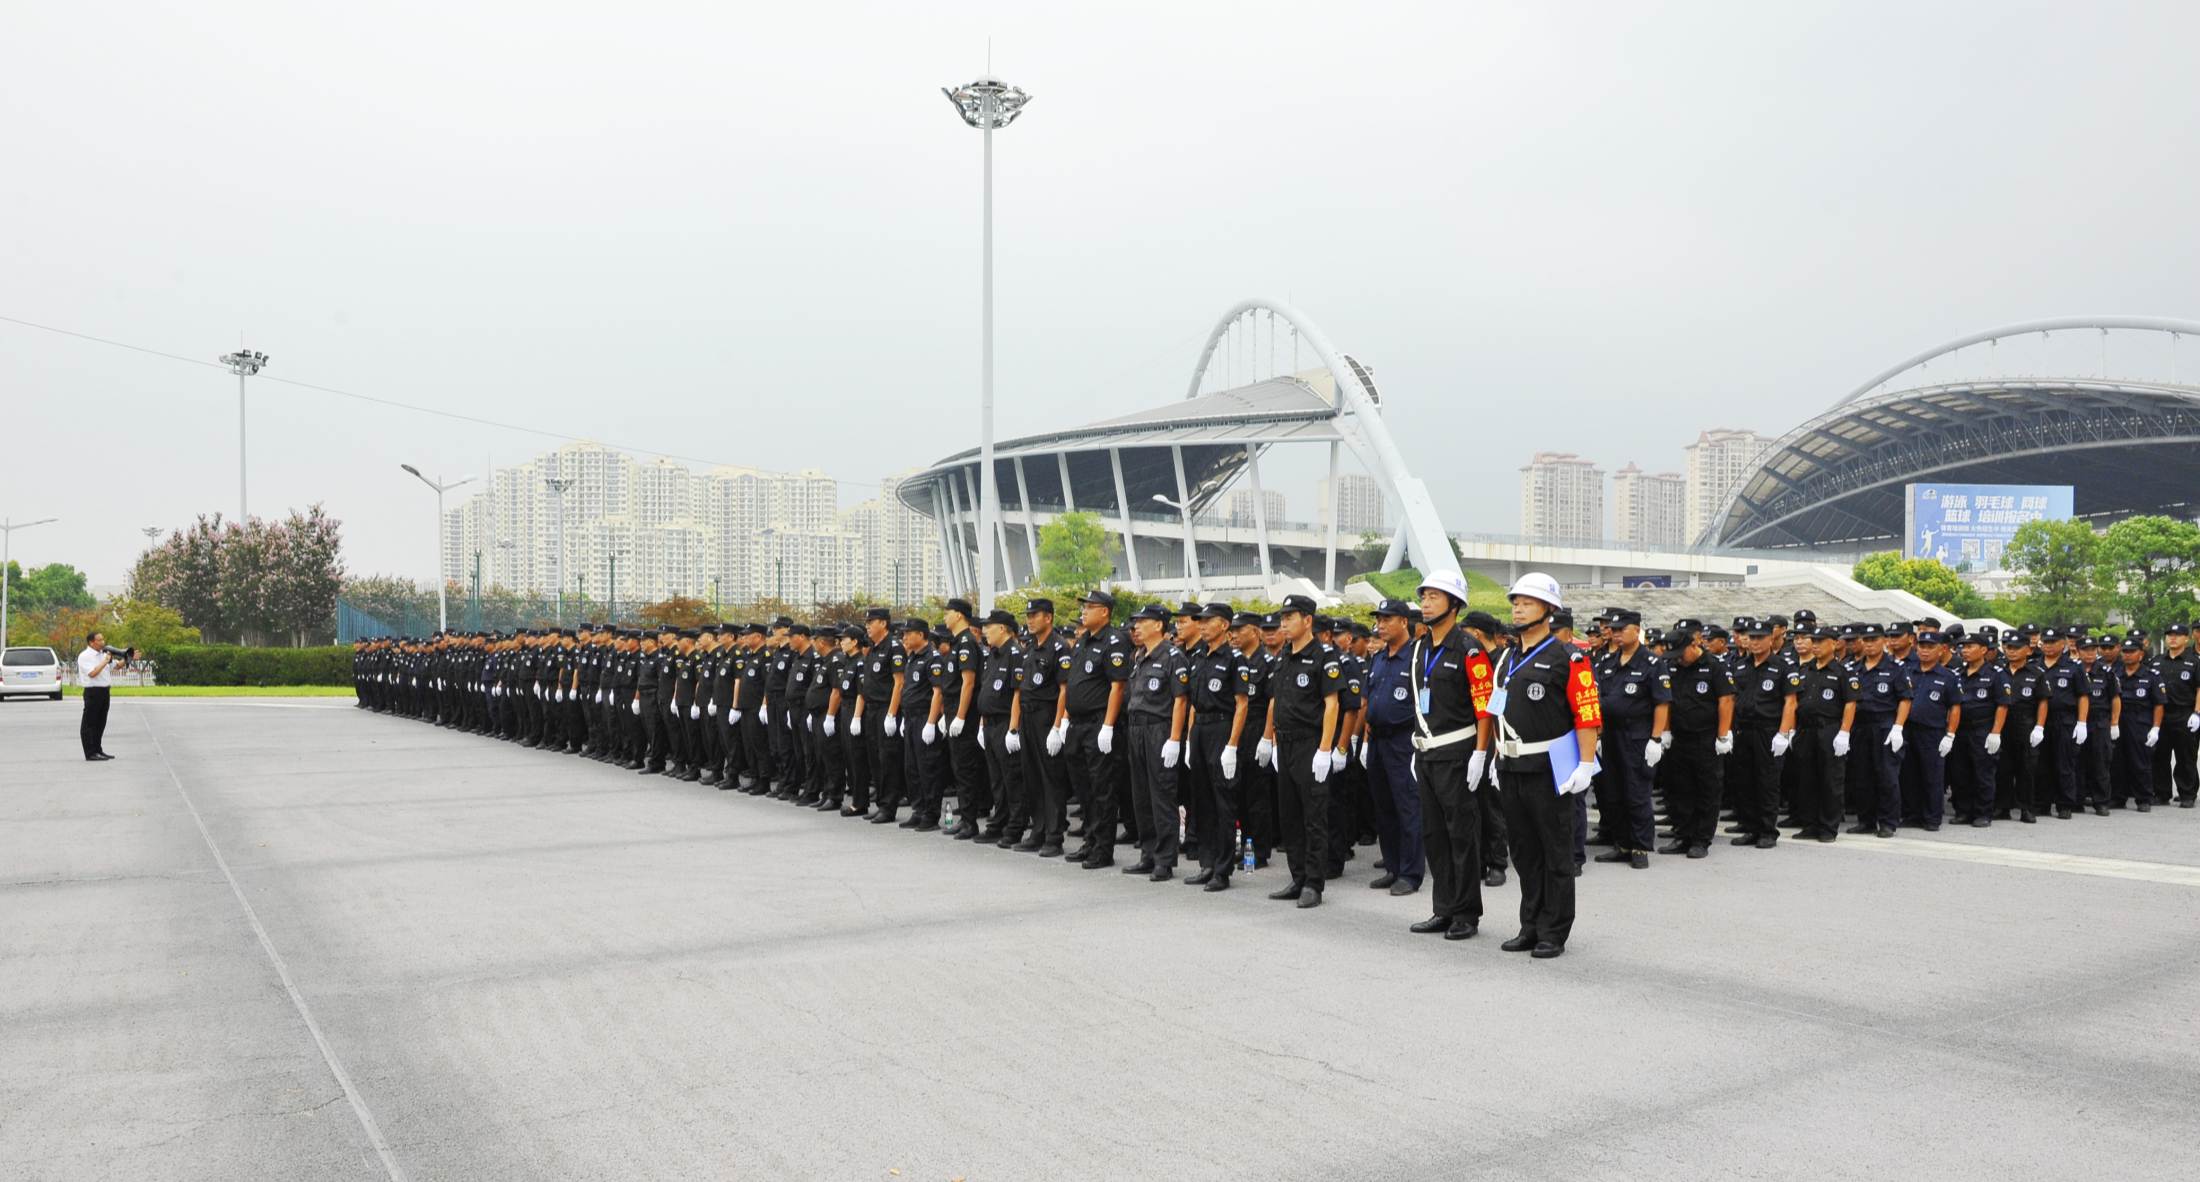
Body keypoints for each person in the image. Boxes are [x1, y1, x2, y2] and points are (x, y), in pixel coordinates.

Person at [1490, 573, 1601, 959]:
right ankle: (1530, 924)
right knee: (1524, 853)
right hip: (1511, 766)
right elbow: (1496, 709)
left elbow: (1587, 715)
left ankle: (1554, 930)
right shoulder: (1507, 657)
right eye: (1516, 602)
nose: (1518, 609)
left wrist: (1585, 764)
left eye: (1528, 603)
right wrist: (1493, 756)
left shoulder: (1569, 658)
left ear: (1549, 610)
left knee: (1555, 852)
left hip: (1550, 768)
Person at [1403, 575, 1494, 939]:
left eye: (1434, 597)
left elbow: (1485, 708)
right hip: (1427, 753)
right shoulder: (1420, 649)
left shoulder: (1470, 650)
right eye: (1424, 596)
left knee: (1462, 836)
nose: (1425, 603)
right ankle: (1443, 908)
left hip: (1458, 753)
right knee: (1435, 835)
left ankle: (1466, 913)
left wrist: (1480, 754)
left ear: (1454, 605)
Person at [1262, 594, 1341, 909]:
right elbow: (1276, 702)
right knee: (1290, 815)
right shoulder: (1283, 656)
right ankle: (1297, 877)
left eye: (1289, 617)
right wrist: (1270, 741)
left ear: (1307, 620)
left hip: (1310, 743)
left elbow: (1332, 705)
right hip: (1285, 743)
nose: (1283, 623)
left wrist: (1325, 749)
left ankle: (1313, 883)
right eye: (1282, 618)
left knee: (1313, 816)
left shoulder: (1323, 656)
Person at [1053, 590, 1130, 870]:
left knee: (1102, 788)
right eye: (1083, 607)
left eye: (1089, 607)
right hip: (1077, 723)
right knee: (1083, 787)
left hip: (1098, 723)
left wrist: (1108, 725)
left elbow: (1117, 687)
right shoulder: (1083, 640)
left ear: (1105, 611)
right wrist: (1064, 719)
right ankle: (1090, 840)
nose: (1083, 612)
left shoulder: (1114, 641)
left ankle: (1103, 849)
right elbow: (1074, 684)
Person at [1590, 609, 1667, 869]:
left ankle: (1640, 847)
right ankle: (1622, 844)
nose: (1617, 634)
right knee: (1612, 793)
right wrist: (1598, 734)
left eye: (1622, 629)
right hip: (1610, 736)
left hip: (1637, 736)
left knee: (1636, 793)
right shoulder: (1607, 662)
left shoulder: (1652, 663)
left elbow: (1662, 703)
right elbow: (1599, 700)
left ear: (1637, 629)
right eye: (1614, 630)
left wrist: (1656, 739)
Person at [1361, 598, 1427, 897]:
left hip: (1403, 740)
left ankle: (1410, 873)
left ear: (1403, 622)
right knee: (1383, 806)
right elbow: (1368, 699)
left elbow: (1425, 701)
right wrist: (1364, 740)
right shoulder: (1379, 658)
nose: (1381, 625)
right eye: (1379, 619)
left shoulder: (1416, 657)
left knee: (1407, 806)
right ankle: (1393, 866)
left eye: (1387, 619)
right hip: (1377, 739)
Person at [1120, 603, 1189, 881]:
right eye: (1135, 622)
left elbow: (1180, 700)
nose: (1136, 627)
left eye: (1142, 621)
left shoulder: (1173, 657)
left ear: (1159, 625)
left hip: (1159, 729)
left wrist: (1174, 739)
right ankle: (1148, 853)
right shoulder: (1140, 656)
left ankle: (1164, 859)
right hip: (1136, 729)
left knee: (1161, 796)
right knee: (1141, 795)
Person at [1660, 620, 1734, 857]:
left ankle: (1701, 840)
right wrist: (1665, 731)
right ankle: (1683, 835)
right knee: (1681, 789)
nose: (1678, 659)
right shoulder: (1672, 666)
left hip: (1706, 738)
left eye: (1680, 654)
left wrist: (1723, 735)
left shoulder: (1714, 666)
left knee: (1707, 790)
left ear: (1694, 645)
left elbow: (1726, 701)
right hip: (1679, 737)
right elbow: (1666, 701)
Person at [1790, 626, 1857, 843]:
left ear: (1834, 643)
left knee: (1830, 780)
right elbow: (1794, 702)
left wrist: (1844, 732)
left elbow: (1850, 703)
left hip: (1829, 729)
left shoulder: (1842, 672)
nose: (1816, 645)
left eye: (1821, 641)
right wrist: (1791, 730)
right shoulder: (1804, 670)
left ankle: (1828, 827)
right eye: (1814, 641)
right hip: (1805, 730)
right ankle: (1810, 824)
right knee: (1806, 779)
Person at [2151, 623, 2199, 807]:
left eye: (2177, 635)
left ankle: (2187, 794)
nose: (2173, 638)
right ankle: (2161, 793)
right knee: (2160, 756)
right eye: (2169, 635)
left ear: (2186, 639)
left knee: (2185, 757)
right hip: (2161, 714)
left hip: (2184, 714)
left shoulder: (2194, 662)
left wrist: (2197, 713)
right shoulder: (2156, 661)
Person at [77, 632, 122, 760]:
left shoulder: (103, 654)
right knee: (89, 723)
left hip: (104, 691)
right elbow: (92, 673)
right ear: (91, 642)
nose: (103, 642)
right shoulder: (85, 656)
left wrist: (127, 657)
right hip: (92, 692)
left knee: (100, 723)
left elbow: (116, 666)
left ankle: (98, 750)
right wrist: (105, 661)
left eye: (103, 639)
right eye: (100, 640)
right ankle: (90, 753)